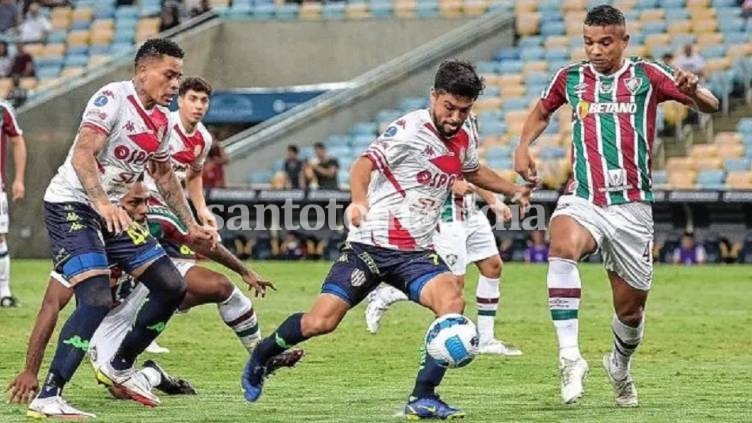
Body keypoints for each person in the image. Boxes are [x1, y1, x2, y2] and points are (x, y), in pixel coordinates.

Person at [240, 60, 533, 419]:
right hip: (369, 247)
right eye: (449, 107)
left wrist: (512, 189)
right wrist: (360, 200)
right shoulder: (409, 129)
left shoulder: (463, 136)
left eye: (464, 110)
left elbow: (471, 170)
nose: (455, 117)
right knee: (321, 322)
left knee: (452, 304)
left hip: (416, 253)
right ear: (434, 96)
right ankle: (261, 354)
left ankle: (422, 396)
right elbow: (363, 164)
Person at [513, 5, 719, 408]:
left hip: (633, 207)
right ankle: (569, 357)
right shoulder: (570, 78)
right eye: (589, 42)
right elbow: (541, 112)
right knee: (562, 246)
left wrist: (694, 90)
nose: (595, 50)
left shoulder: (648, 76)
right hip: (585, 195)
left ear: (624, 40)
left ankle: (619, 366)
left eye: (605, 42)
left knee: (630, 311)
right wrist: (523, 146)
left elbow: (710, 105)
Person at [28, 38, 216, 419]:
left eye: (179, 76)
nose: (176, 85)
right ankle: (48, 396)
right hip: (73, 205)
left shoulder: (161, 120)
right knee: (96, 298)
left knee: (171, 285)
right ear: (142, 71)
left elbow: (163, 174)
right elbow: (83, 153)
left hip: (112, 212)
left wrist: (190, 223)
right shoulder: (111, 98)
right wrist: (101, 203)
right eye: (169, 75)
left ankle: (118, 366)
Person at [6, 181, 303, 406]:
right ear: (112, 204)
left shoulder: (156, 218)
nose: (143, 210)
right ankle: (154, 375)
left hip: (147, 289)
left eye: (145, 201)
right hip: (106, 318)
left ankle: (262, 357)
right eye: (135, 204)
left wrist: (244, 270)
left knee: (219, 286)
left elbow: (199, 242)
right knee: (119, 390)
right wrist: (30, 371)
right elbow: (50, 307)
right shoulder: (85, 240)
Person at [364, 175, 523, 356]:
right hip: (445, 217)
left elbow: (474, 171)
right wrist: (449, 182)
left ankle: (486, 340)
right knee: (452, 286)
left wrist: (493, 200)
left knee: (492, 266)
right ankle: (388, 294)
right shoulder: (424, 147)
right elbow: (415, 174)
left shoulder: (463, 147)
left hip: (470, 213)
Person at [0, 98, 27, 307]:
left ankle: (4, 292)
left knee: (0, 237)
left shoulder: (2, 109)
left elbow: (17, 140)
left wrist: (18, 179)